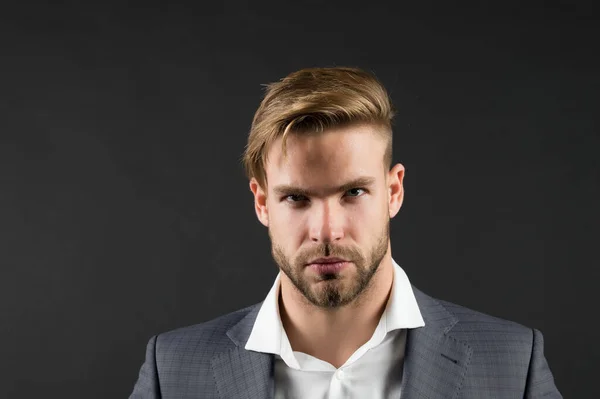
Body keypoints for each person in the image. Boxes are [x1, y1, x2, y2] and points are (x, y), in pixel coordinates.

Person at [130, 67, 562, 398]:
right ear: (262, 202)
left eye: (354, 192)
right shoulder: (172, 370)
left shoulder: (510, 364)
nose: (327, 230)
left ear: (393, 191)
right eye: (297, 198)